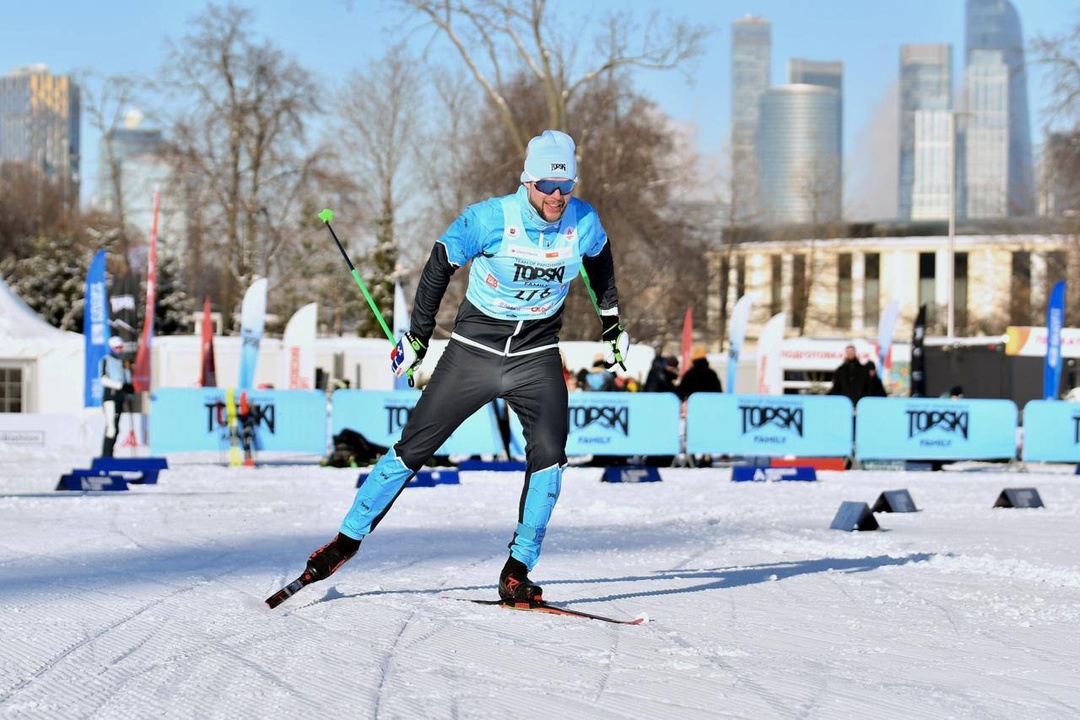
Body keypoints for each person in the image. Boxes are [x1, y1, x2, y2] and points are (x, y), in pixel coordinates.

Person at [290, 129, 628, 605]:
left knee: (551, 456)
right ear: (527, 181)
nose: (556, 197)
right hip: (474, 350)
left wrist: (611, 324)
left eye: (565, 186)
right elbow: (440, 261)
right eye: (547, 187)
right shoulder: (489, 218)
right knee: (412, 448)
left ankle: (517, 569)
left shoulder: (583, 220)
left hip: (536, 354)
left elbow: (600, 262)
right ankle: (345, 541)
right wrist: (417, 338)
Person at [99, 335, 133, 457]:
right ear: (112, 347)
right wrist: (120, 385)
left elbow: (127, 378)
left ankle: (110, 454)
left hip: (119, 397)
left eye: (121, 347)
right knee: (111, 428)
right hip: (110, 397)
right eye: (117, 347)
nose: (119, 349)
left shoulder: (123, 362)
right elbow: (103, 379)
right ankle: (105, 456)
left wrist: (129, 389)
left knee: (116, 428)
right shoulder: (106, 360)